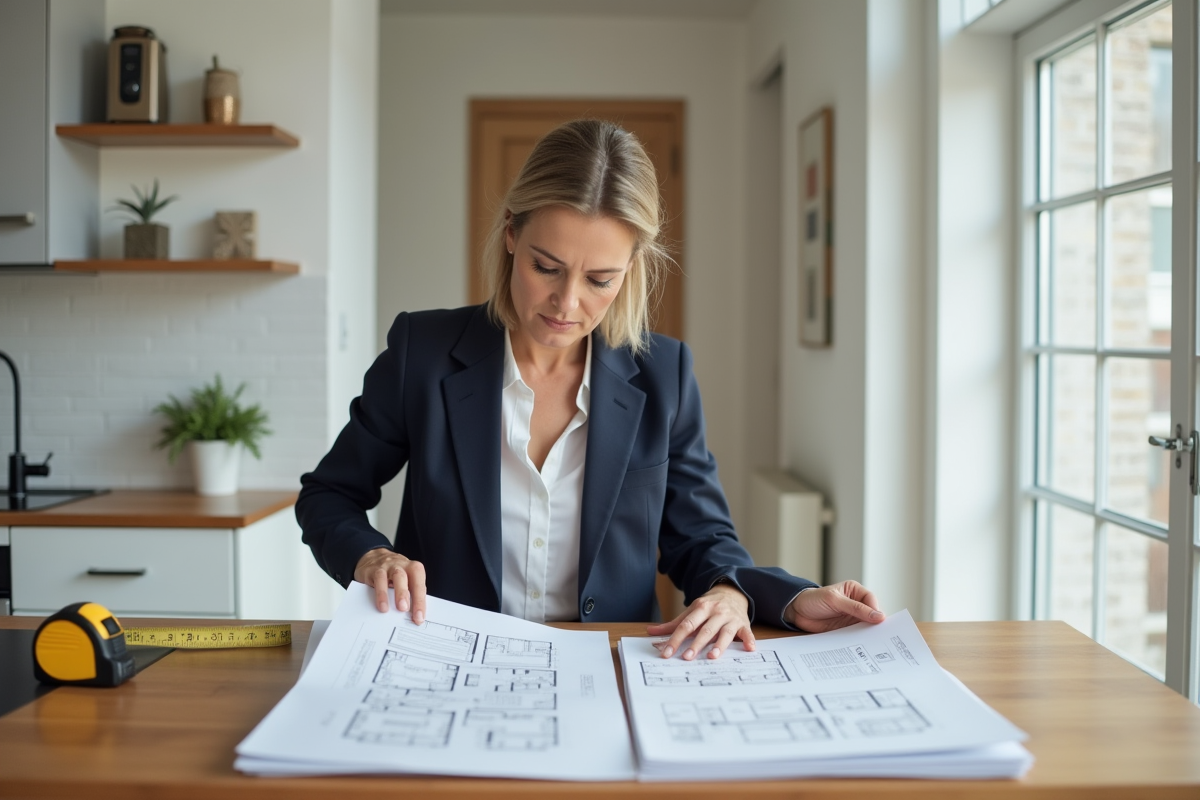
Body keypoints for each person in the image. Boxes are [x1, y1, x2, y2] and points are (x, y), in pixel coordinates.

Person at [298, 119, 883, 661]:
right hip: (449, 656)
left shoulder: (665, 374)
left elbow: (701, 537)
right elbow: (328, 496)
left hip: (611, 665)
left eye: (600, 279)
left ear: (632, 267)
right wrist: (368, 556)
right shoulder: (420, 353)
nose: (567, 303)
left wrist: (738, 592)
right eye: (546, 267)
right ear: (510, 235)